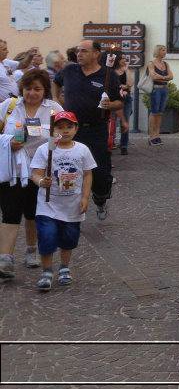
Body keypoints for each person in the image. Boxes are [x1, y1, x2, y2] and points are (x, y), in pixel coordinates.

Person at [0, 69, 63, 279]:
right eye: (28, 88)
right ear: (22, 89)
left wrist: (55, 142)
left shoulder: (53, 109)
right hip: (14, 170)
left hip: (40, 170)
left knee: (33, 213)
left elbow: (64, 134)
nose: (32, 93)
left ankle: (31, 250)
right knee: (10, 212)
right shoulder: (9, 107)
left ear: (44, 90)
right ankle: (5, 258)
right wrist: (9, 142)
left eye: (37, 89)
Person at [53, 40, 122, 221]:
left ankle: (100, 199)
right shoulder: (70, 70)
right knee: (67, 167)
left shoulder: (108, 75)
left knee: (100, 172)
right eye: (78, 51)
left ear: (96, 54)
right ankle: (71, 209)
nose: (79, 54)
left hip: (96, 130)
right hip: (70, 130)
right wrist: (56, 100)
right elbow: (55, 82)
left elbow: (119, 102)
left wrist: (110, 104)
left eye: (84, 51)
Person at [29, 110, 97, 292]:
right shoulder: (46, 148)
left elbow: (88, 174)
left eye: (69, 127)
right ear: (52, 130)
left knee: (69, 238)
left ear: (76, 128)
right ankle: (47, 271)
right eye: (60, 127)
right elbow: (35, 173)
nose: (65, 131)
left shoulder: (82, 149)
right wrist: (42, 181)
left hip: (72, 206)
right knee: (47, 235)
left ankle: (64, 267)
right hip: (48, 205)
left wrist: (85, 197)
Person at [146, 45, 174, 146]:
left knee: (160, 113)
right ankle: (151, 137)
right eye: (163, 50)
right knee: (154, 112)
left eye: (165, 50)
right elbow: (153, 76)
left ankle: (157, 135)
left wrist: (162, 77)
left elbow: (171, 76)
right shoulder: (151, 63)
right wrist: (165, 77)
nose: (165, 52)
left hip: (164, 89)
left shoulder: (166, 64)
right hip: (155, 89)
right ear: (157, 51)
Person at [112, 56, 133, 156]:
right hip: (114, 98)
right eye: (123, 58)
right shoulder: (112, 71)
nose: (125, 60)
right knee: (112, 122)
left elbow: (130, 84)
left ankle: (124, 145)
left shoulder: (126, 70)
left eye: (125, 58)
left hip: (126, 98)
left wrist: (127, 70)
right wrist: (122, 86)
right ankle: (111, 142)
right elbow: (114, 85)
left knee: (125, 121)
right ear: (118, 60)